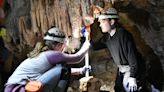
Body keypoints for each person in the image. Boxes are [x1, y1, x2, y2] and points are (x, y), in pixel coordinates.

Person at [4, 27, 91, 92]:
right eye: (64, 45)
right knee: (63, 68)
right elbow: (77, 58)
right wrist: (87, 43)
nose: (64, 48)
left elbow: (53, 73)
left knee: (61, 68)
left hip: (13, 88)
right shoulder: (53, 55)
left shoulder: (43, 54)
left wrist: (80, 70)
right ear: (59, 45)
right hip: (20, 88)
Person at [92, 7, 147, 92]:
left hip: (132, 68)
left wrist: (133, 76)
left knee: (129, 88)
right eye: (100, 22)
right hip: (121, 69)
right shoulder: (107, 37)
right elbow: (95, 46)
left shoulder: (123, 35)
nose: (100, 25)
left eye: (103, 22)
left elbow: (132, 57)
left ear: (112, 21)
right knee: (117, 89)